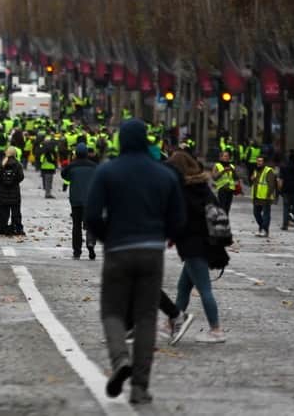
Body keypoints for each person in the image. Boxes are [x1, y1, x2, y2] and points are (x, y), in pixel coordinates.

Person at [85, 119, 185, 406]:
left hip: (118, 249)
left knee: (112, 311)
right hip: (152, 252)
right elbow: (178, 219)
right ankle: (140, 387)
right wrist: (162, 236)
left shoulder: (107, 171)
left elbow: (92, 215)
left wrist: (108, 239)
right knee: (145, 318)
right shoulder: (163, 174)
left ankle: (119, 360)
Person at [168, 151, 224, 344]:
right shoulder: (202, 187)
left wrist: (171, 234)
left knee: (204, 288)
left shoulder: (183, 191)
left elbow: (180, 219)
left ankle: (216, 330)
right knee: (183, 287)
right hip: (206, 242)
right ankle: (171, 324)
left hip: (192, 245)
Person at [61, 145, 100, 259]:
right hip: (90, 200)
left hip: (76, 200)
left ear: (76, 154)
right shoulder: (94, 166)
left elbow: (64, 175)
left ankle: (77, 251)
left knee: (76, 226)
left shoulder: (72, 166)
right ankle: (90, 242)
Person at [0, 146, 25, 236]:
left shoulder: (3, 163)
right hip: (14, 191)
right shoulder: (18, 164)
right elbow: (21, 177)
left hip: (3, 191)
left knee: (3, 212)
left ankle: (2, 228)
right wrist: (14, 182)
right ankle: (17, 228)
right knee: (16, 211)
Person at [249, 155, 278, 237]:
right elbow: (254, 182)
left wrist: (268, 195)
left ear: (264, 162)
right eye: (257, 161)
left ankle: (265, 230)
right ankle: (262, 227)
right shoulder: (256, 170)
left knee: (266, 214)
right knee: (256, 213)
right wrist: (252, 179)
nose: (258, 162)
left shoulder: (268, 171)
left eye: (260, 161)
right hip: (257, 196)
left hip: (265, 197)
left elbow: (271, 184)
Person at [279, 152, 294, 232]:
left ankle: (285, 225)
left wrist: (280, 189)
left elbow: (281, 179)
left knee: (286, 207)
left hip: (286, 189)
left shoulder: (284, 167)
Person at [212, 150, 236, 215]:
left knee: (227, 208)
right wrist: (223, 171)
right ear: (221, 157)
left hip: (230, 189)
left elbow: (235, 178)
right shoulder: (217, 165)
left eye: (228, 156)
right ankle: (223, 221)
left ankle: (225, 221)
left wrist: (233, 172)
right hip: (222, 189)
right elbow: (214, 177)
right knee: (222, 208)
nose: (227, 157)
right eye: (225, 156)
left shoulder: (232, 166)